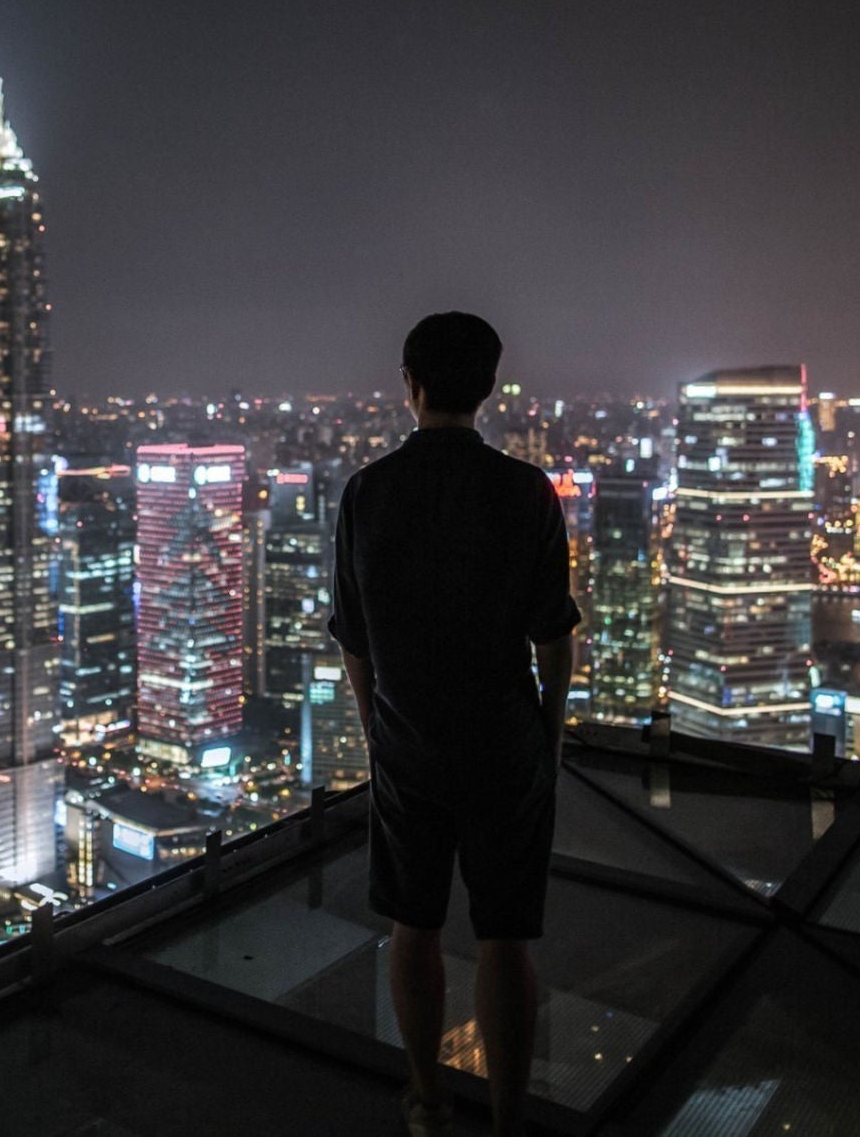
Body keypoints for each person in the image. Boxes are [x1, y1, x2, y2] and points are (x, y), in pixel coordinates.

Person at [326, 311, 579, 1137]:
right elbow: (552, 636)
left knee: (415, 925)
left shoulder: (367, 492)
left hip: (409, 745)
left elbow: (354, 639)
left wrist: (377, 725)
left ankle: (428, 1099)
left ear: (410, 385)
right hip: (505, 744)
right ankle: (508, 1120)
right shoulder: (526, 491)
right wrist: (549, 732)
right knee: (506, 938)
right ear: (491, 387)